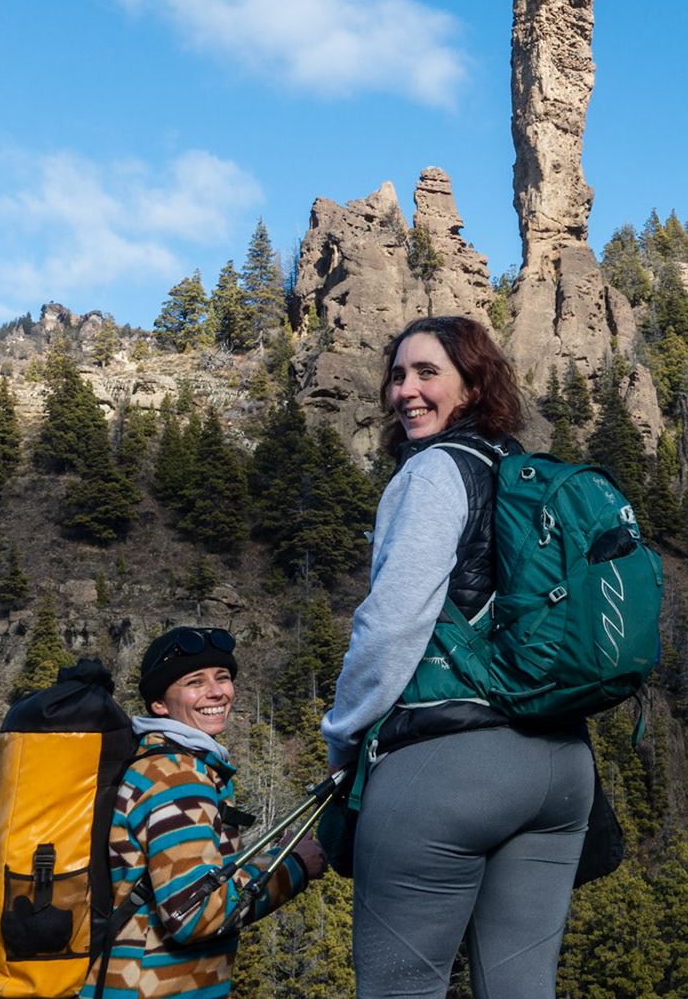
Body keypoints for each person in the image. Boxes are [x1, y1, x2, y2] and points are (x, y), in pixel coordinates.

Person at [321, 315, 595, 999]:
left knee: (401, 988)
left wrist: (343, 739)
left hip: (449, 768)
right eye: (397, 376)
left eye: (427, 373)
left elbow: (392, 623)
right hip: (561, 770)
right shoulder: (525, 479)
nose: (405, 391)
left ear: (472, 387)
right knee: (520, 987)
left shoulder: (436, 471)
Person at [84, 627, 325, 999]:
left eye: (222, 677)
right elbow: (193, 914)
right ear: (159, 704)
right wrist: (293, 867)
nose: (216, 692)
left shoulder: (162, 762)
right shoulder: (178, 777)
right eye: (194, 682)